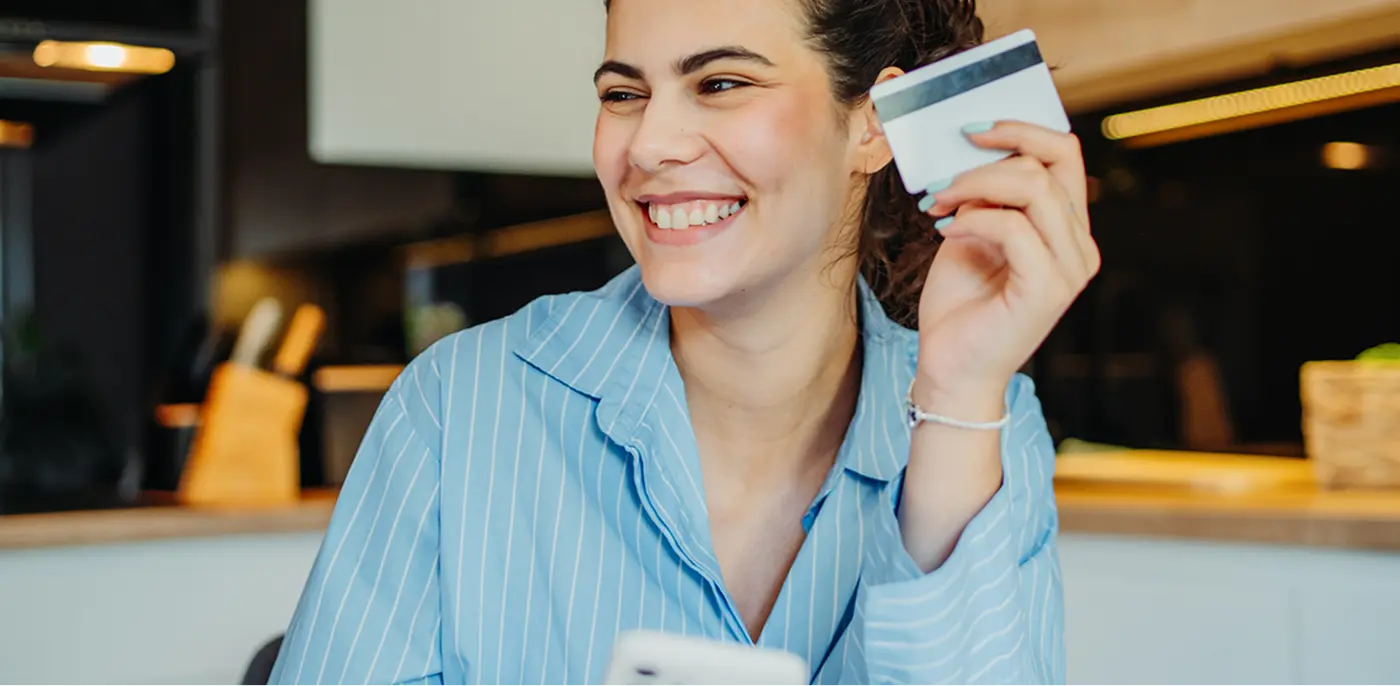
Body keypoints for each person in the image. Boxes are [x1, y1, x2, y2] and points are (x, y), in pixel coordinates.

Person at [268, 0, 1098, 682]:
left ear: (873, 126)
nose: (650, 145)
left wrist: (956, 397)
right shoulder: (458, 408)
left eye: (722, 81)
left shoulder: (992, 424)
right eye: (623, 94)